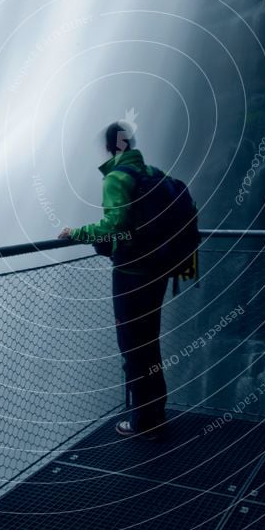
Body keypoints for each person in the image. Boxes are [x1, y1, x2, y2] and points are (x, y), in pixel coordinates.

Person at [58, 121, 168, 440]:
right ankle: (156, 413)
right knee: (150, 344)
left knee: (132, 348)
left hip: (131, 274)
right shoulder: (153, 174)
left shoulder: (117, 178)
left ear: (110, 148)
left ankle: (141, 423)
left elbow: (115, 226)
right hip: (157, 272)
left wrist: (77, 233)